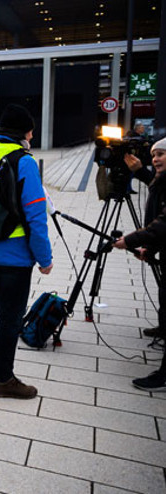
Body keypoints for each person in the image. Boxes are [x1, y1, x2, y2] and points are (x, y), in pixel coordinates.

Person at [0, 104, 52, 399]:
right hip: (15, 255)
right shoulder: (24, 161)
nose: (31, 135)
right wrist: (44, 257)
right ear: (23, 132)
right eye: (30, 130)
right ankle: (3, 380)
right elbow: (35, 215)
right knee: (10, 316)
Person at [114, 136, 166, 391]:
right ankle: (163, 327)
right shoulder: (161, 180)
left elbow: (164, 223)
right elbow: (156, 188)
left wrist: (131, 240)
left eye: (161, 154)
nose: (156, 159)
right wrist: (139, 171)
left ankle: (164, 375)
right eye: (154, 154)